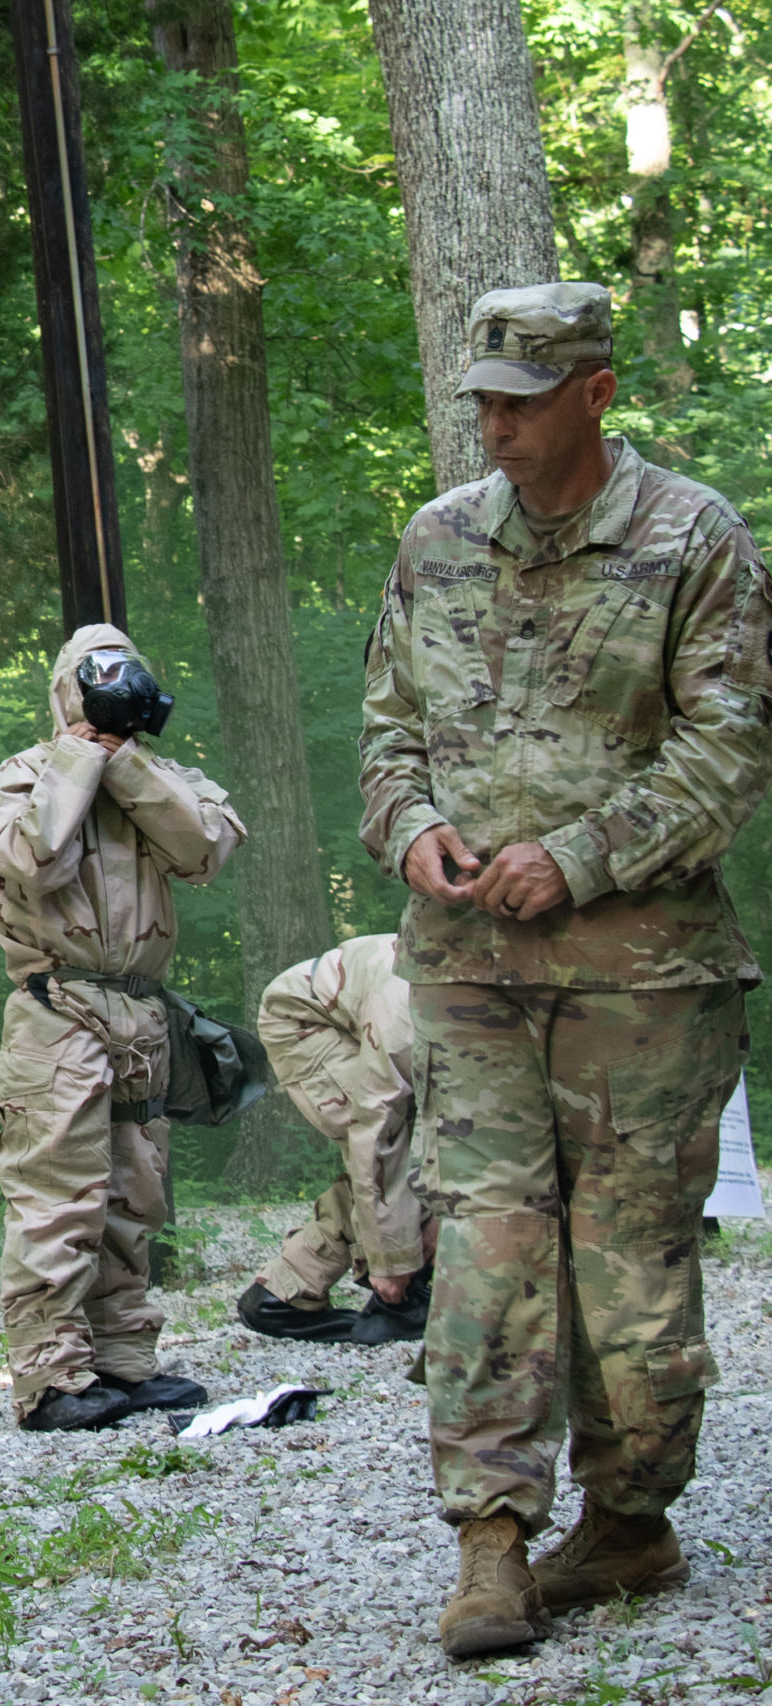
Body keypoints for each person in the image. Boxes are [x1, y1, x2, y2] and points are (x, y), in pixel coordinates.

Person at [361, 283, 772, 1658]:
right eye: (480, 398)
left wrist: (581, 858)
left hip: (641, 978)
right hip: (470, 965)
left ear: (594, 393)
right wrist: (412, 830)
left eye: (520, 400)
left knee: (630, 1259)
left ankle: (631, 1517)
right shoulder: (436, 541)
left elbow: (729, 750)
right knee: (483, 1234)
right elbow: (388, 734)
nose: (493, 424)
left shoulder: (692, 537)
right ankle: (490, 1538)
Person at [0, 623, 246, 1431]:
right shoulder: (26, 776)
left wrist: (125, 761)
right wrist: (80, 755)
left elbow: (207, 849)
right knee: (59, 1195)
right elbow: (31, 864)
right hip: (59, 1011)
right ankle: (50, 1380)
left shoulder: (154, 777)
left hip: (141, 1012)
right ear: (67, 691)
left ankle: (123, 1360)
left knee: (135, 1193)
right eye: (98, 679)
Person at [237, 933, 434, 1346]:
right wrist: (392, 1260)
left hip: (360, 1015)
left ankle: (284, 1290)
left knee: (435, 1150)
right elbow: (377, 1131)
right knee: (404, 1152)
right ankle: (396, 1299)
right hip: (305, 1023)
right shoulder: (403, 1012)